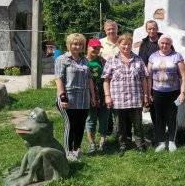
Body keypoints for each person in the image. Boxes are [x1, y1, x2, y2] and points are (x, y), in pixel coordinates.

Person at [102, 33, 149, 156]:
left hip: (136, 98)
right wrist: (107, 96)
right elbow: (106, 80)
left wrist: (145, 95)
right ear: (119, 45)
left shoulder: (138, 59)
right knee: (120, 125)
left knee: (137, 124)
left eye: (128, 44)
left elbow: (144, 78)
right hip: (118, 98)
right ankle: (122, 145)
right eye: (124, 44)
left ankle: (140, 145)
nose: (126, 47)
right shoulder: (112, 60)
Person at [55, 33, 96, 161]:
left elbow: (89, 79)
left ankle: (76, 149)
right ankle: (67, 152)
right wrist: (62, 97)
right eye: (74, 44)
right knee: (70, 125)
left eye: (80, 44)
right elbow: (59, 79)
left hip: (84, 98)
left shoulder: (85, 60)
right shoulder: (62, 59)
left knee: (80, 125)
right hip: (69, 97)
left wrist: (93, 96)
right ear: (69, 45)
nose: (77, 46)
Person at [147, 35, 185, 152]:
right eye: (162, 43)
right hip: (157, 92)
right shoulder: (153, 56)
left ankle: (171, 141)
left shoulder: (176, 56)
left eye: (167, 43)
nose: (164, 45)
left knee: (171, 116)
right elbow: (148, 76)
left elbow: (183, 76)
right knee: (159, 117)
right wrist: (148, 93)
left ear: (171, 44)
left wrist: (182, 92)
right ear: (159, 44)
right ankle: (161, 142)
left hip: (173, 92)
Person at [84, 38, 110, 154]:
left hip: (102, 93)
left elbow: (108, 77)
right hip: (88, 94)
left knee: (104, 119)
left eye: (99, 48)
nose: (96, 50)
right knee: (90, 119)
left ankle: (102, 142)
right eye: (94, 47)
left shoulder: (102, 61)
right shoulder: (82, 61)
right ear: (88, 47)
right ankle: (91, 143)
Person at [138, 20, 163, 133]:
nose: (152, 31)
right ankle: (157, 131)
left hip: (163, 80)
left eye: (154, 28)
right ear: (146, 30)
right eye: (149, 29)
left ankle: (167, 132)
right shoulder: (144, 43)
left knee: (164, 107)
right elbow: (141, 61)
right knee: (153, 107)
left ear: (157, 29)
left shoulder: (164, 41)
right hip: (149, 80)